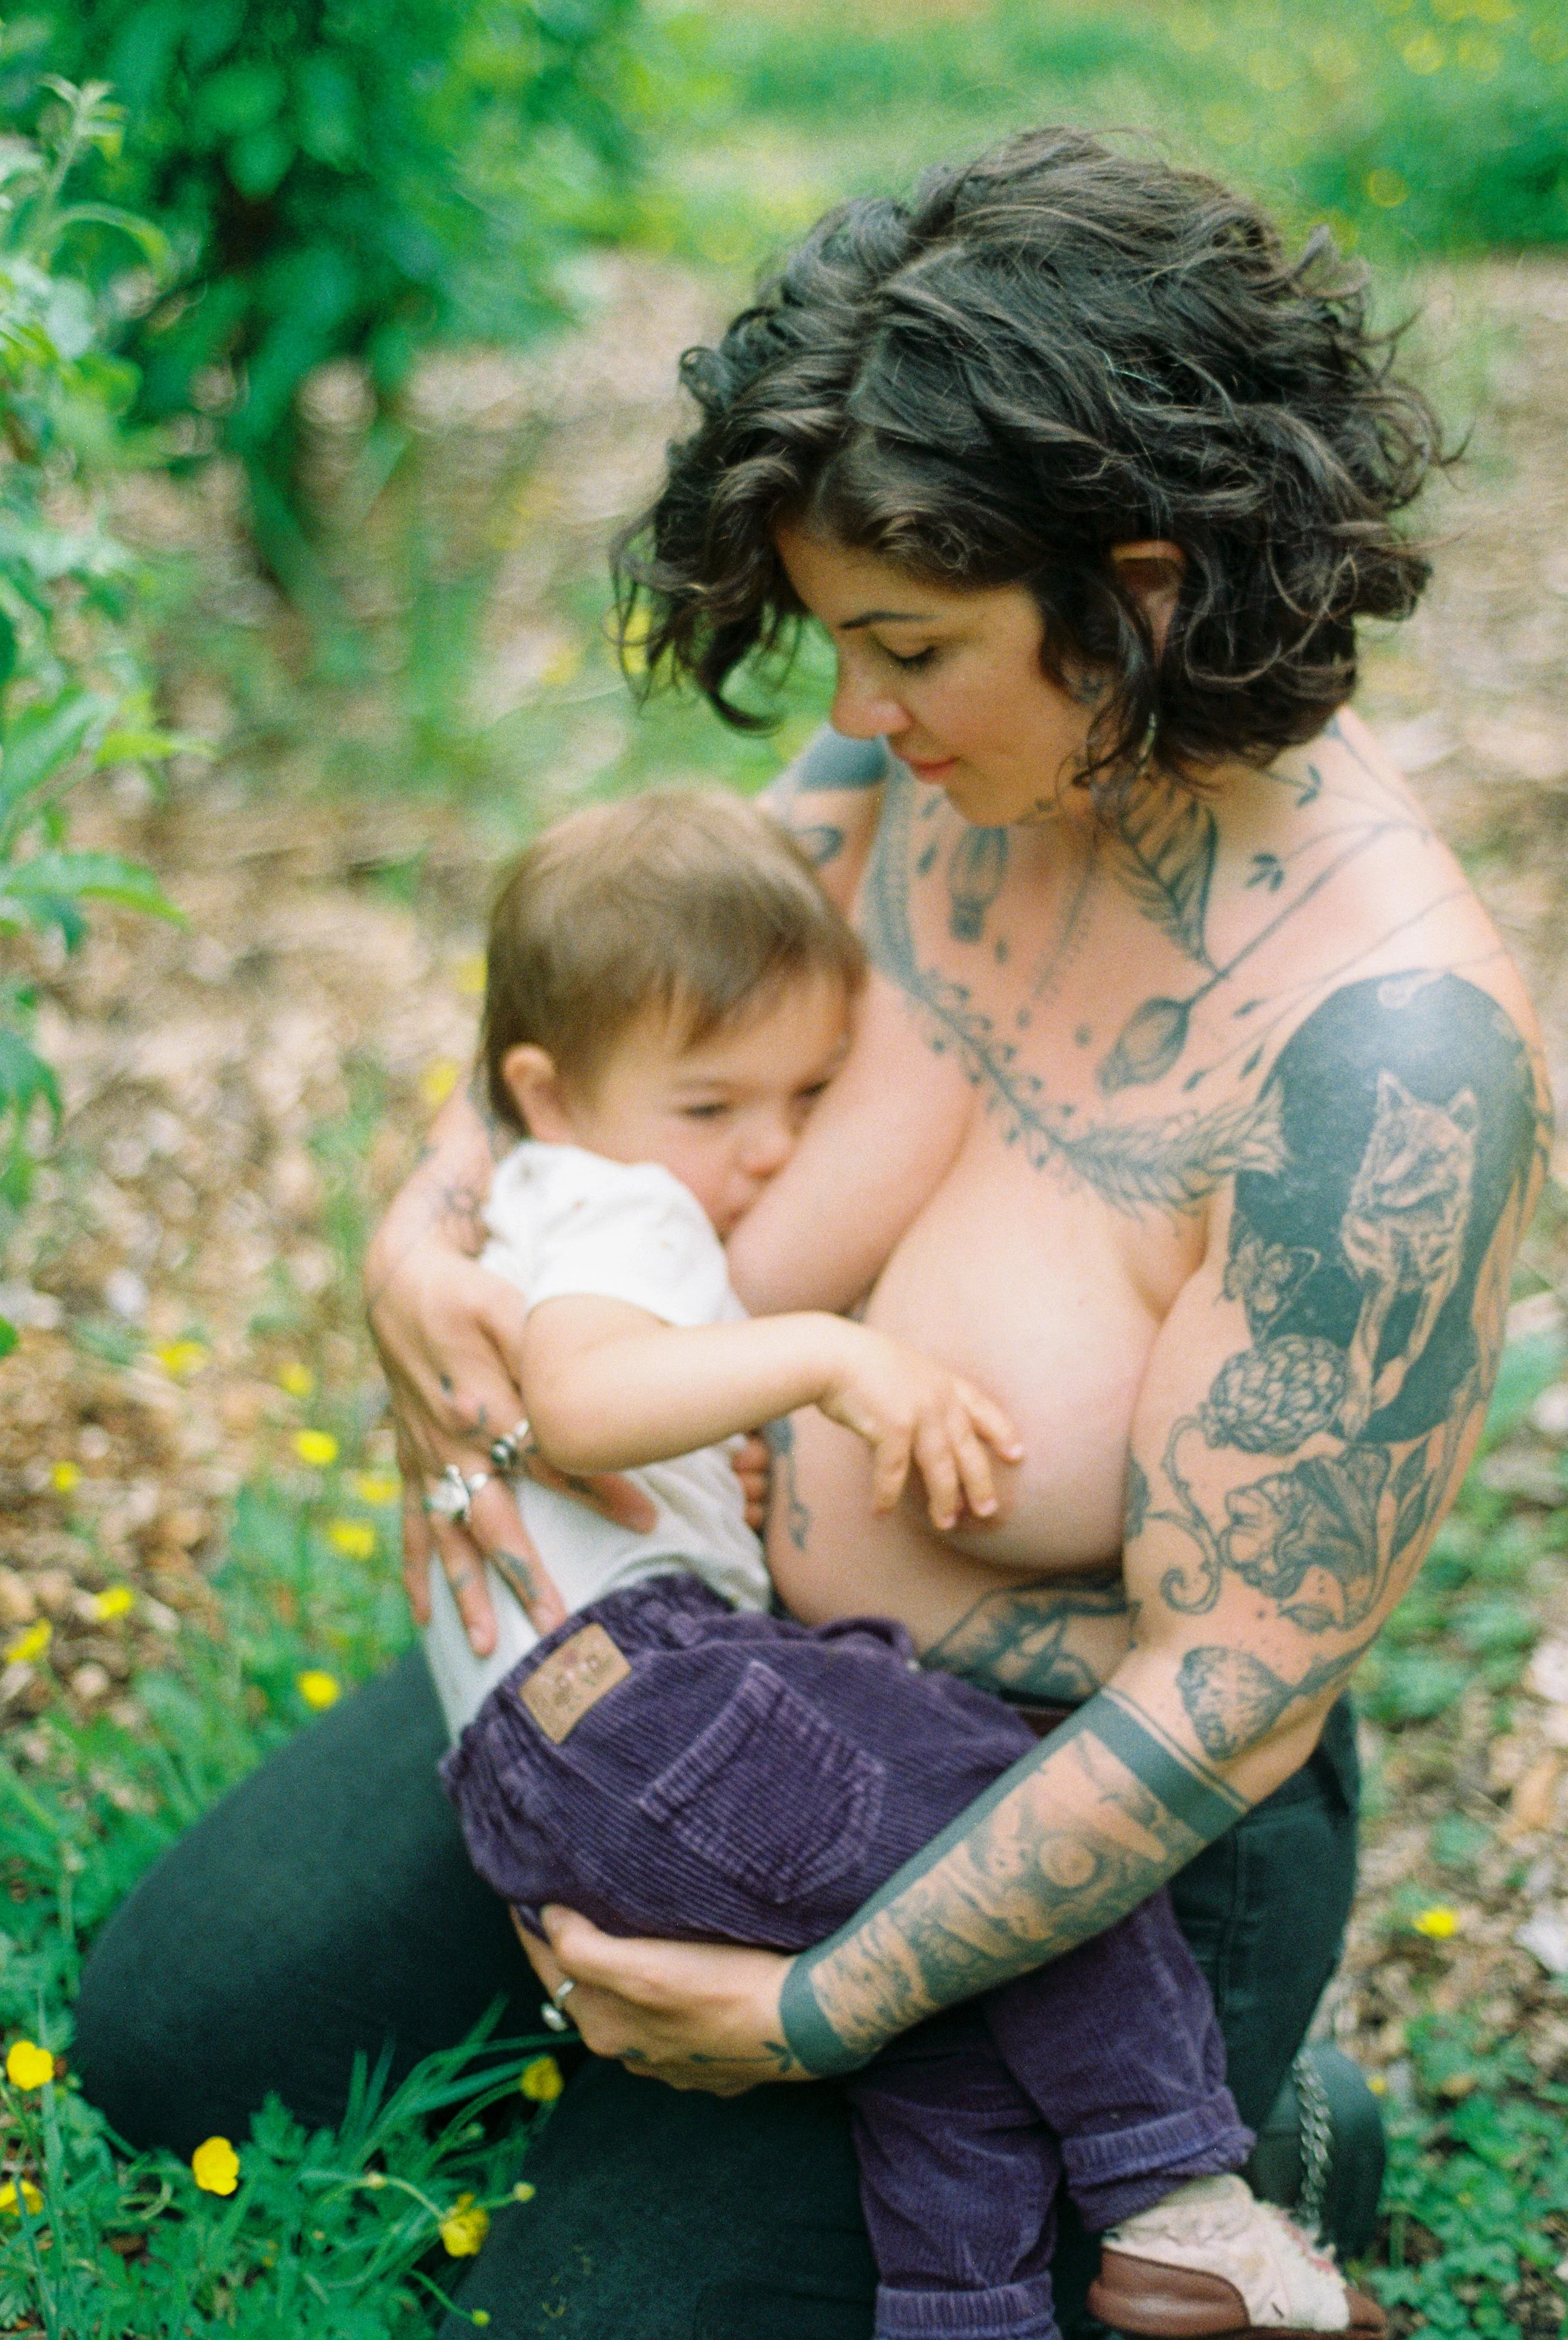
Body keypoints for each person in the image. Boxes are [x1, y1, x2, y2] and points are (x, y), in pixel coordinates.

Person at [73, 127, 1550, 2339]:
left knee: (606, 2325)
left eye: (909, 645)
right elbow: (615, 1011)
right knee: (174, 2032)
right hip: (716, 1664)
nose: (849, 713)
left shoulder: (1383, 1062)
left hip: (1081, 1845)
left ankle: (1248, 2117)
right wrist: (428, 1232)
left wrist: (813, 2011)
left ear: (1141, 590)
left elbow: (1227, 1696)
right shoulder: (913, 781)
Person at [433, 785, 1375, 2339]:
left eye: (803, 1095)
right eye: (714, 1103)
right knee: (1008, 1820)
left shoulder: (553, 1191)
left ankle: (966, 2310)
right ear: (544, 1088)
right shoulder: (619, 1206)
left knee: (940, 2005)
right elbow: (582, 1399)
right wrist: (826, 1359)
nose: (770, 1148)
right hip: (647, 1691)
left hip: (566, 1744)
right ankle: (1173, 2194)